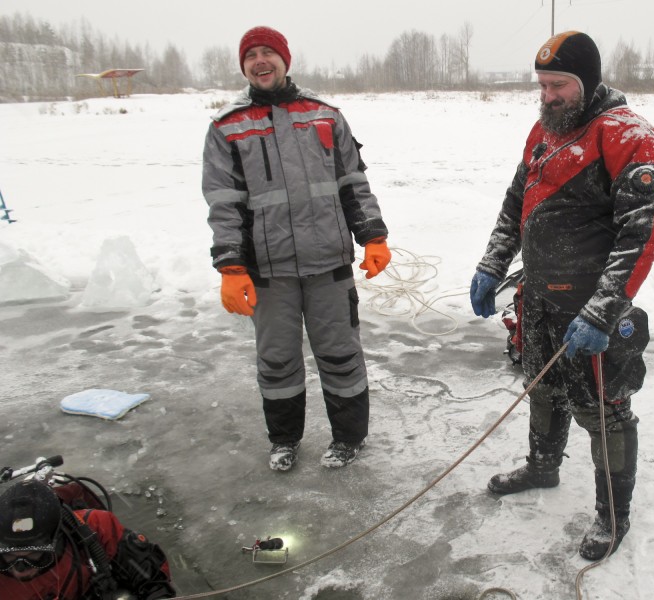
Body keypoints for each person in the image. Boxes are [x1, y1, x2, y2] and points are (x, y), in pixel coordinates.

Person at [470, 31, 654, 560]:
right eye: (542, 85)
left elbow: (643, 233)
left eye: (559, 84)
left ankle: (614, 515)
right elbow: (518, 200)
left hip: (591, 307)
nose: (548, 95)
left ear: (587, 81)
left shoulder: (629, 136)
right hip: (538, 297)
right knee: (542, 386)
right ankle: (542, 466)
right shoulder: (544, 130)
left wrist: (603, 310)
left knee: (603, 411)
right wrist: (493, 263)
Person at [202, 26, 391, 472]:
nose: (260, 61)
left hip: (329, 265)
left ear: (285, 60)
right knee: (277, 361)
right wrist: (231, 266)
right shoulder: (226, 127)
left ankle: (348, 439)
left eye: (269, 52)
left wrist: (374, 236)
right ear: (243, 65)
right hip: (269, 273)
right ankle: (284, 440)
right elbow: (223, 203)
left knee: (342, 356)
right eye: (251, 55)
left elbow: (353, 183)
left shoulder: (325, 115)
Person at [0, 479, 175, 599]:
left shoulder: (95, 527)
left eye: (34, 556)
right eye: (8, 557)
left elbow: (152, 579)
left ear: (57, 539)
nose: (20, 569)